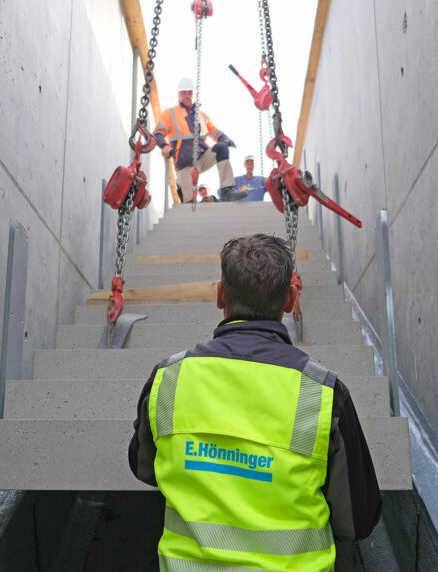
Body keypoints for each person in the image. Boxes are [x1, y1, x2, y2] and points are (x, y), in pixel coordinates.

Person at [128, 234, 382, 571]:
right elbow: (357, 521)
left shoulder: (168, 379)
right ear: (290, 299)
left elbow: (144, 467)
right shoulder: (324, 395)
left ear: (220, 294)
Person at [155, 77, 247, 202]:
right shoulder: (170, 113)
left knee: (221, 148)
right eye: (184, 93)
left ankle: (226, 191)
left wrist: (225, 139)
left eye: (190, 93)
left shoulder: (202, 115)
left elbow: (215, 132)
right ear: (179, 95)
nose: (187, 96)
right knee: (189, 203)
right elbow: (158, 133)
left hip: (202, 158)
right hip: (184, 164)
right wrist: (164, 146)